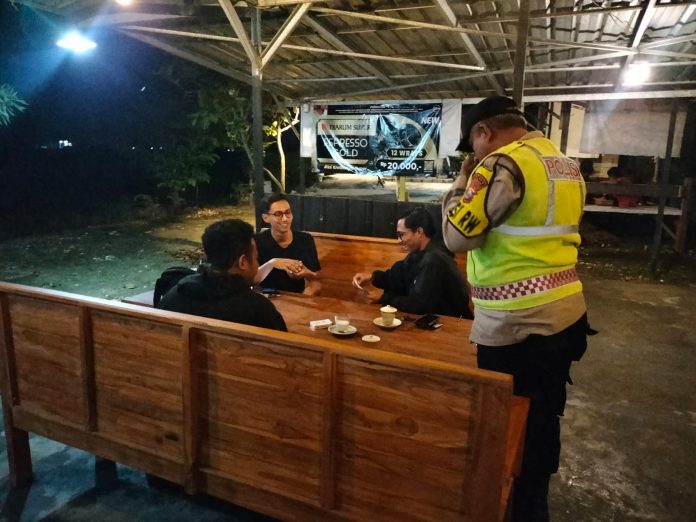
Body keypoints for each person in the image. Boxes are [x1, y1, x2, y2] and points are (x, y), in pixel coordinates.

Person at [442, 96, 589, 522]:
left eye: (472, 144)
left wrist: (460, 183)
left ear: (483, 132)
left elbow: (456, 236)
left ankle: (514, 510)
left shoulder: (501, 164)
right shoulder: (563, 164)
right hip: (565, 315)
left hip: (516, 325)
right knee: (542, 418)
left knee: (505, 430)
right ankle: (534, 503)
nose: (473, 154)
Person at [157, 218, 287, 332]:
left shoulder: (173, 296)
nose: (257, 264)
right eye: (256, 258)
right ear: (242, 262)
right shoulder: (259, 310)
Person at [352, 208, 472, 318]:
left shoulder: (434, 259)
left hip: (453, 324)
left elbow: (419, 306)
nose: (398, 240)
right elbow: (398, 277)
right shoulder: (418, 253)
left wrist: (384, 298)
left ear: (419, 231)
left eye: (402, 234)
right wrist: (372, 277)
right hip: (434, 321)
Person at [254, 193, 322, 296]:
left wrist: (306, 272)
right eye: (278, 214)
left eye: (288, 212)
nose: (285, 219)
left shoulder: (305, 239)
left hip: (295, 297)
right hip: (265, 297)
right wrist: (272, 263)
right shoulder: (256, 241)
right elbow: (251, 279)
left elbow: (316, 279)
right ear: (265, 218)